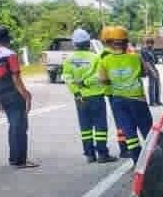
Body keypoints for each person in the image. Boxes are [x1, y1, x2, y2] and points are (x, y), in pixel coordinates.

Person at [0, 25, 37, 169]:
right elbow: (16, 78)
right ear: (7, 39)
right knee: (19, 126)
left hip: (0, 92)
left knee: (13, 125)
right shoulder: (9, 54)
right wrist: (26, 95)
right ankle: (20, 160)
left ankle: (14, 158)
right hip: (13, 93)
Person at [62, 28, 118, 164]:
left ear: (74, 44)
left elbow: (67, 78)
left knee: (85, 126)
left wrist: (76, 91)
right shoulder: (95, 57)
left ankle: (89, 155)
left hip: (79, 97)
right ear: (88, 43)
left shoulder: (69, 59)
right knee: (100, 126)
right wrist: (86, 82)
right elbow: (99, 76)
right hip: (96, 96)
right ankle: (102, 154)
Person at [98, 25, 154, 161]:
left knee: (129, 132)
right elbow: (145, 73)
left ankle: (137, 160)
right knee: (147, 130)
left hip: (118, 100)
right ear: (125, 42)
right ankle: (153, 158)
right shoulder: (135, 58)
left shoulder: (104, 61)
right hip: (137, 99)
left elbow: (104, 80)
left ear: (109, 43)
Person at [140, 37, 163, 107]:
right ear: (147, 43)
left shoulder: (151, 50)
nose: (151, 45)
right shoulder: (144, 50)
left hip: (154, 67)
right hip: (149, 69)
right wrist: (152, 72)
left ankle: (158, 101)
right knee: (152, 86)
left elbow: (155, 60)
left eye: (152, 44)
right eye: (150, 44)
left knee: (157, 85)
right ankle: (152, 102)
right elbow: (147, 62)